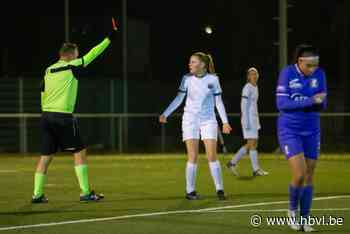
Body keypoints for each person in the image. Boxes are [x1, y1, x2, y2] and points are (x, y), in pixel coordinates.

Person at [31, 22, 117, 203]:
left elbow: (42, 90)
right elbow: (93, 53)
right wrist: (110, 38)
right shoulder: (72, 66)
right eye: (77, 54)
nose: (79, 56)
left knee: (45, 157)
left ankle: (37, 194)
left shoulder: (49, 69)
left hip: (46, 116)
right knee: (79, 152)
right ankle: (85, 193)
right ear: (70, 55)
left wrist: (45, 111)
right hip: (63, 117)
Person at [159, 52, 232, 200]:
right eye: (190, 62)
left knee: (211, 155)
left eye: (193, 62)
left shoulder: (213, 79)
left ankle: (220, 190)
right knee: (193, 156)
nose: (190, 64)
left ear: (202, 65)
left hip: (208, 120)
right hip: (190, 119)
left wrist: (225, 122)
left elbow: (218, 102)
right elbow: (179, 98)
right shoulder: (187, 79)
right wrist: (166, 113)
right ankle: (190, 191)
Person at [276, 44, 327, 232]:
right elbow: (282, 104)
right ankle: (292, 211)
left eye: (316, 65)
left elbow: (324, 102)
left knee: (309, 176)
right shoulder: (287, 73)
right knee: (299, 175)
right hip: (290, 130)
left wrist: (314, 102)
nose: (314, 69)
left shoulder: (320, 74)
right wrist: (310, 100)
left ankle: (306, 219)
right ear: (300, 62)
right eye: (310, 65)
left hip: (312, 130)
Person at [226, 67, 268, 176]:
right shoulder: (247, 88)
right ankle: (252, 169)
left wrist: (256, 120)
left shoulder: (255, 87)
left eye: (256, 74)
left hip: (254, 120)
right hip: (248, 119)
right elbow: (243, 105)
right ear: (248, 77)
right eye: (252, 74)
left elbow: (254, 105)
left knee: (252, 144)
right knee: (252, 144)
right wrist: (246, 121)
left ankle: (235, 164)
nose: (254, 76)